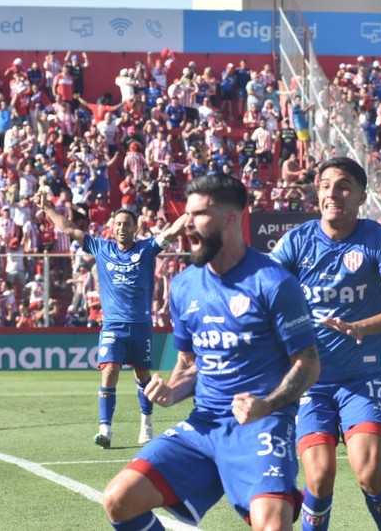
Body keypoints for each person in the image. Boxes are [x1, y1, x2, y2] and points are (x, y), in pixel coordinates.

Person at [101, 174, 320, 531]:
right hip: (204, 426)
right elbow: (188, 365)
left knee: (274, 525)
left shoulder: (275, 282)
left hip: (261, 425)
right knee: (118, 499)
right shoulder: (185, 285)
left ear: (230, 219)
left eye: (199, 214)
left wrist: (267, 404)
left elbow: (308, 364)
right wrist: (172, 390)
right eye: (187, 214)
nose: (187, 224)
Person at [269, 157, 381, 531]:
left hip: (360, 379)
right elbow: (264, 291)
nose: (333, 193)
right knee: (318, 480)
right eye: (325, 185)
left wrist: (362, 327)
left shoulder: (376, 238)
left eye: (344, 185)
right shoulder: (297, 241)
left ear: (361, 196)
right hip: (308, 382)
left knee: (369, 474)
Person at [36, 191, 187, 447]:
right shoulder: (101, 247)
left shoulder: (147, 248)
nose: (121, 228)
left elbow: (172, 231)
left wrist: (193, 209)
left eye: (126, 224)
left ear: (135, 227)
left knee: (142, 376)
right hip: (113, 325)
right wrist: (48, 208)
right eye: (117, 224)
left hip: (140, 325)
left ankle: (146, 424)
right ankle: (105, 430)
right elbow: (69, 229)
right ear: (112, 227)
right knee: (109, 371)